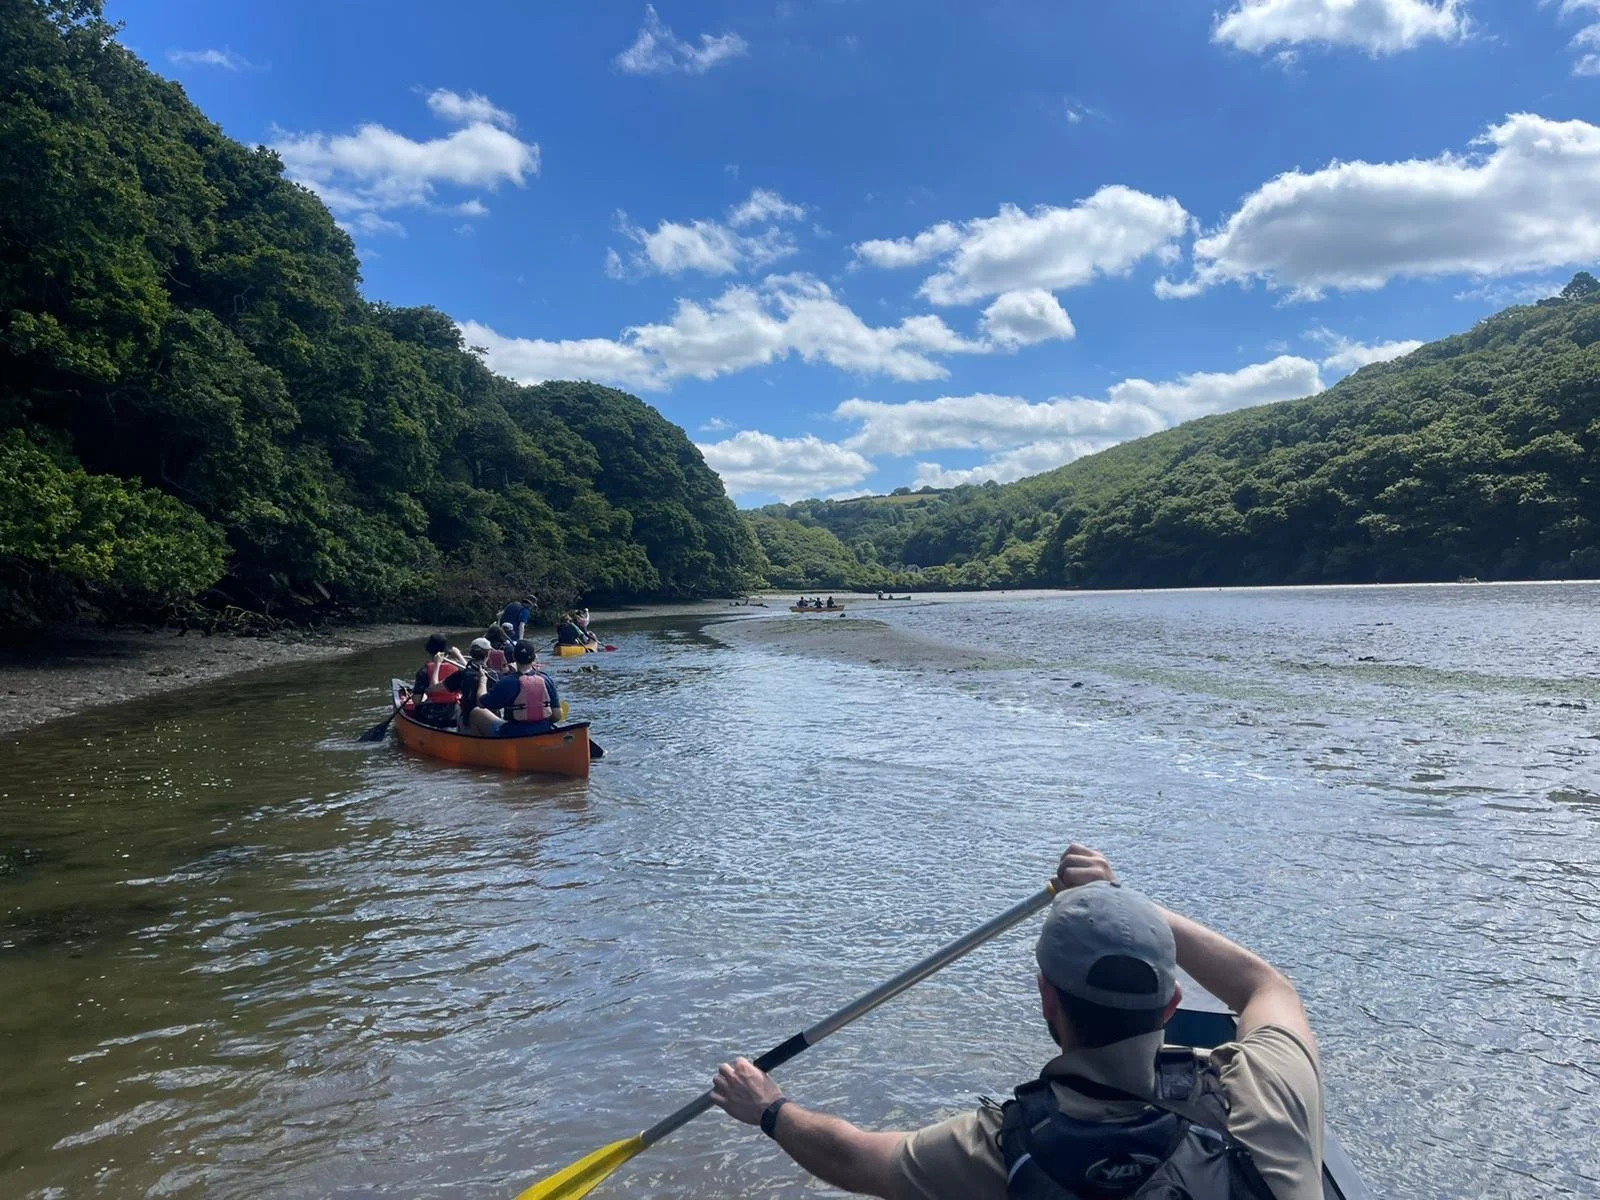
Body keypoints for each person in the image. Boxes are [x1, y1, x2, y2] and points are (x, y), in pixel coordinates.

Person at [709, 843, 1323, 1200]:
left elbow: (852, 1158)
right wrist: (1122, 900)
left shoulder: (1002, 1148)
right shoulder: (1266, 1088)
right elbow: (1264, 985)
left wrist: (766, 1107)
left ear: (1046, 1001)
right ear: (1171, 1005)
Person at [467, 641, 562, 736]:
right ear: (534, 657)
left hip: (513, 734)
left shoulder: (506, 682)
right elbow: (557, 716)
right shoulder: (547, 680)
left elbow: (481, 702)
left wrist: (483, 680)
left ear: (514, 657)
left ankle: (484, 749)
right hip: (543, 731)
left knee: (476, 713)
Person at [409, 634, 467, 728]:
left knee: (418, 708)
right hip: (453, 717)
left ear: (430, 652)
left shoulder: (423, 671)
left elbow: (416, 700)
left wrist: (425, 698)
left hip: (430, 717)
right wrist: (459, 655)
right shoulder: (459, 669)